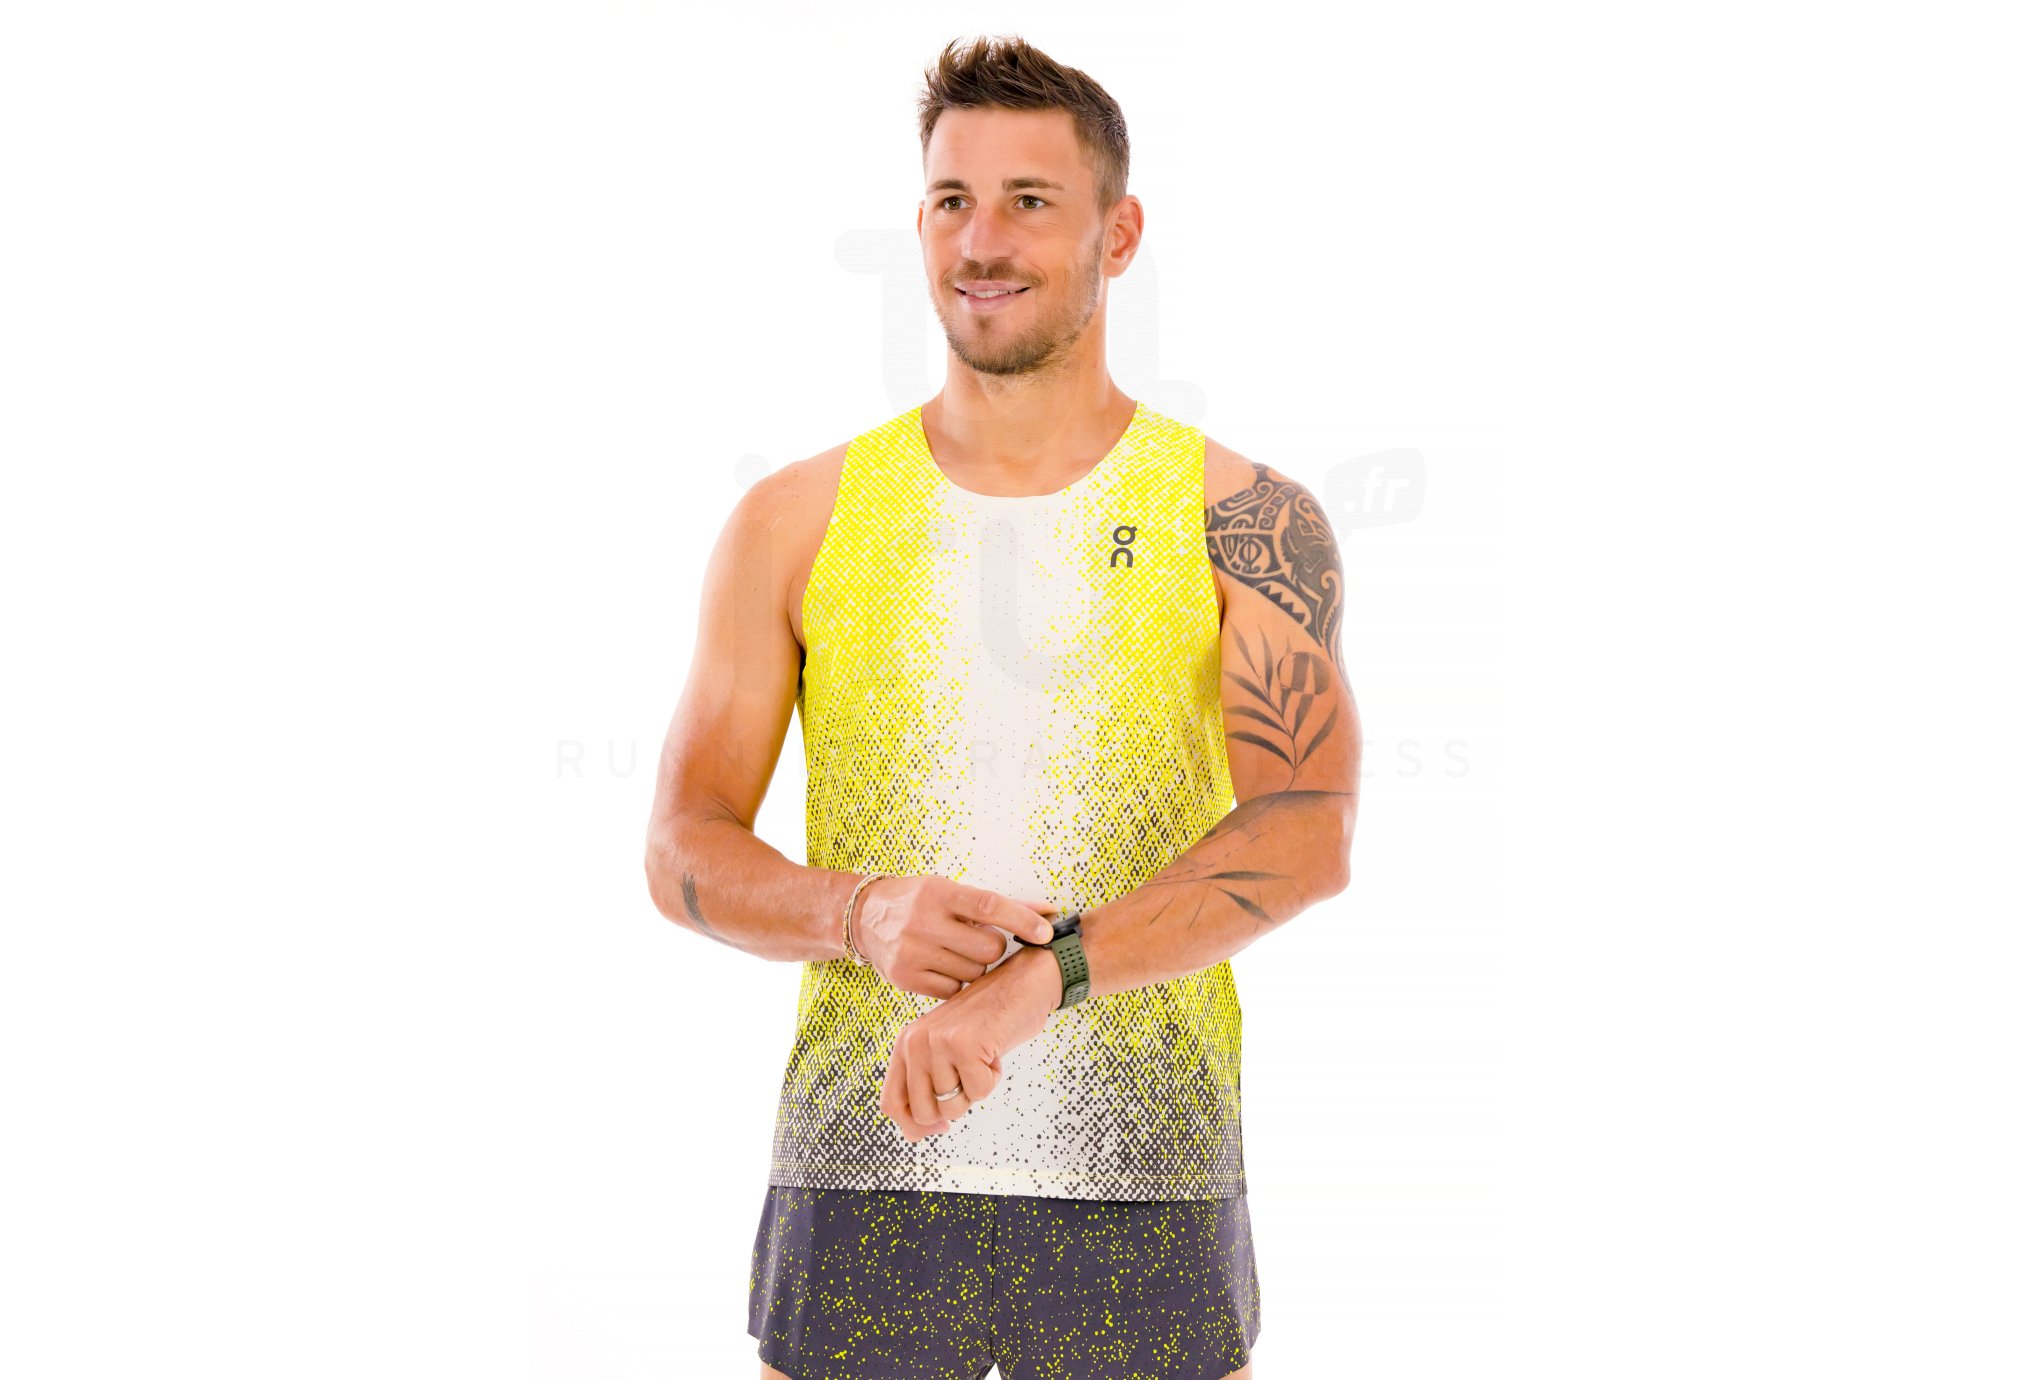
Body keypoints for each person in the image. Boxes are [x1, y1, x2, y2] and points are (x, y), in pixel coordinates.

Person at [644, 34, 1361, 1380]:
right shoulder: (793, 521)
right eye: (950, 200)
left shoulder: (1244, 518)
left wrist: (1044, 978)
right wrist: (858, 912)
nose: (981, 241)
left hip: (1142, 1166)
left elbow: (1307, 830)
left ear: (1117, 233)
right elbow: (682, 846)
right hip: (865, 1159)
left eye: (1030, 200)